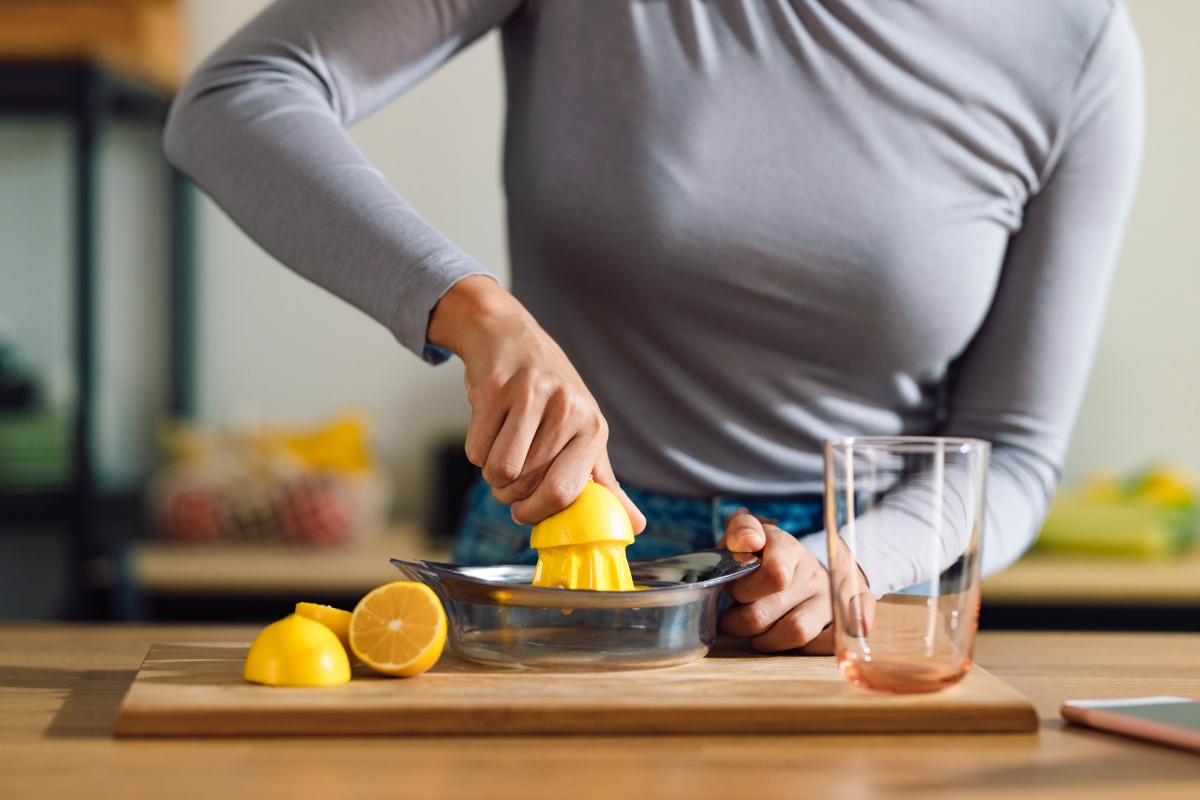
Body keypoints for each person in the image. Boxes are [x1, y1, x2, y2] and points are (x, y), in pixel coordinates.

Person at [164, 0, 1144, 654]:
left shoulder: (1074, 39)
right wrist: (472, 307)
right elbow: (234, 98)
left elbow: (1011, 454)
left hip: (864, 598)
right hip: (548, 570)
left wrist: (852, 563)